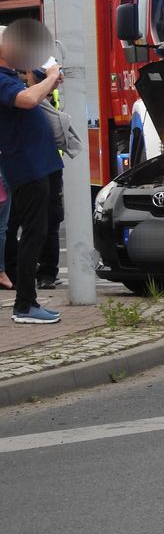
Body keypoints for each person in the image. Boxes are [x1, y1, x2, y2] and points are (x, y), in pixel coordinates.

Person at [0, 20, 65, 324]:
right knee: (33, 233)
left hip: (39, 164)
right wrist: (49, 76)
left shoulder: (10, 75)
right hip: (27, 167)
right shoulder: (1, 79)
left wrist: (48, 81)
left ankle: (27, 303)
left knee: (40, 229)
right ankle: (25, 305)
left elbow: (30, 94)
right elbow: (26, 100)